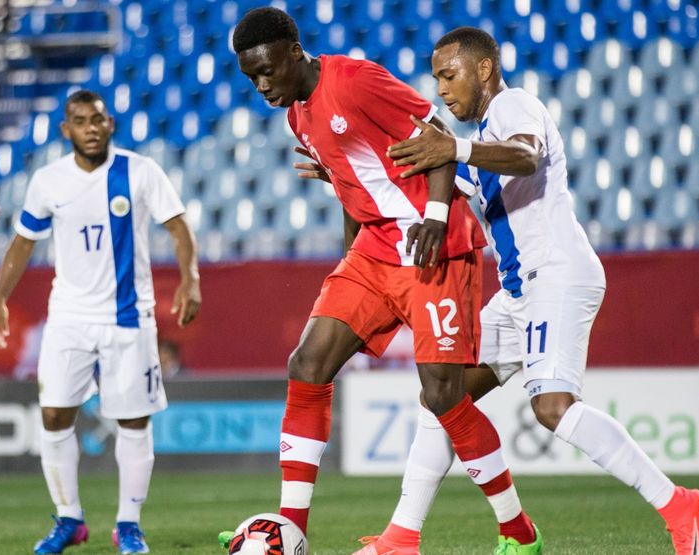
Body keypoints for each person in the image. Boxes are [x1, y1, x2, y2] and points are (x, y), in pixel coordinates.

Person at [375, 27, 699, 555]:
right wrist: (348, 175)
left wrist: (457, 146)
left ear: (483, 69)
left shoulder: (513, 105)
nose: (442, 89)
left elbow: (526, 156)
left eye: (449, 74)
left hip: (555, 275)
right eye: (436, 78)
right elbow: (447, 181)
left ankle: (678, 505)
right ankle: (401, 537)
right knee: (440, 396)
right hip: (518, 293)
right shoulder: (482, 138)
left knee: (553, 407)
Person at [231, 7, 541, 555]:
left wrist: (438, 218)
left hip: (433, 247)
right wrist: (346, 261)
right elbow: (355, 186)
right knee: (307, 363)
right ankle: (289, 528)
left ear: (294, 52)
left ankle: (517, 529)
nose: (261, 84)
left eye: (267, 70)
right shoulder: (297, 116)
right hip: (373, 252)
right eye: (250, 77)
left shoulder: (354, 80)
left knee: (443, 397)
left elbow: (439, 139)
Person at [0, 89, 201, 555]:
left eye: (98, 119)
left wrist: (191, 280)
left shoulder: (140, 171)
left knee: (133, 421)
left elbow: (179, 227)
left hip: (128, 318)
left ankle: (128, 524)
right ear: (66, 130)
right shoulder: (47, 181)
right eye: (80, 120)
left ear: (111, 125)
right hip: (68, 317)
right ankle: (69, 519)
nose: (90, 127)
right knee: (54, 414)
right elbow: (24, 242)